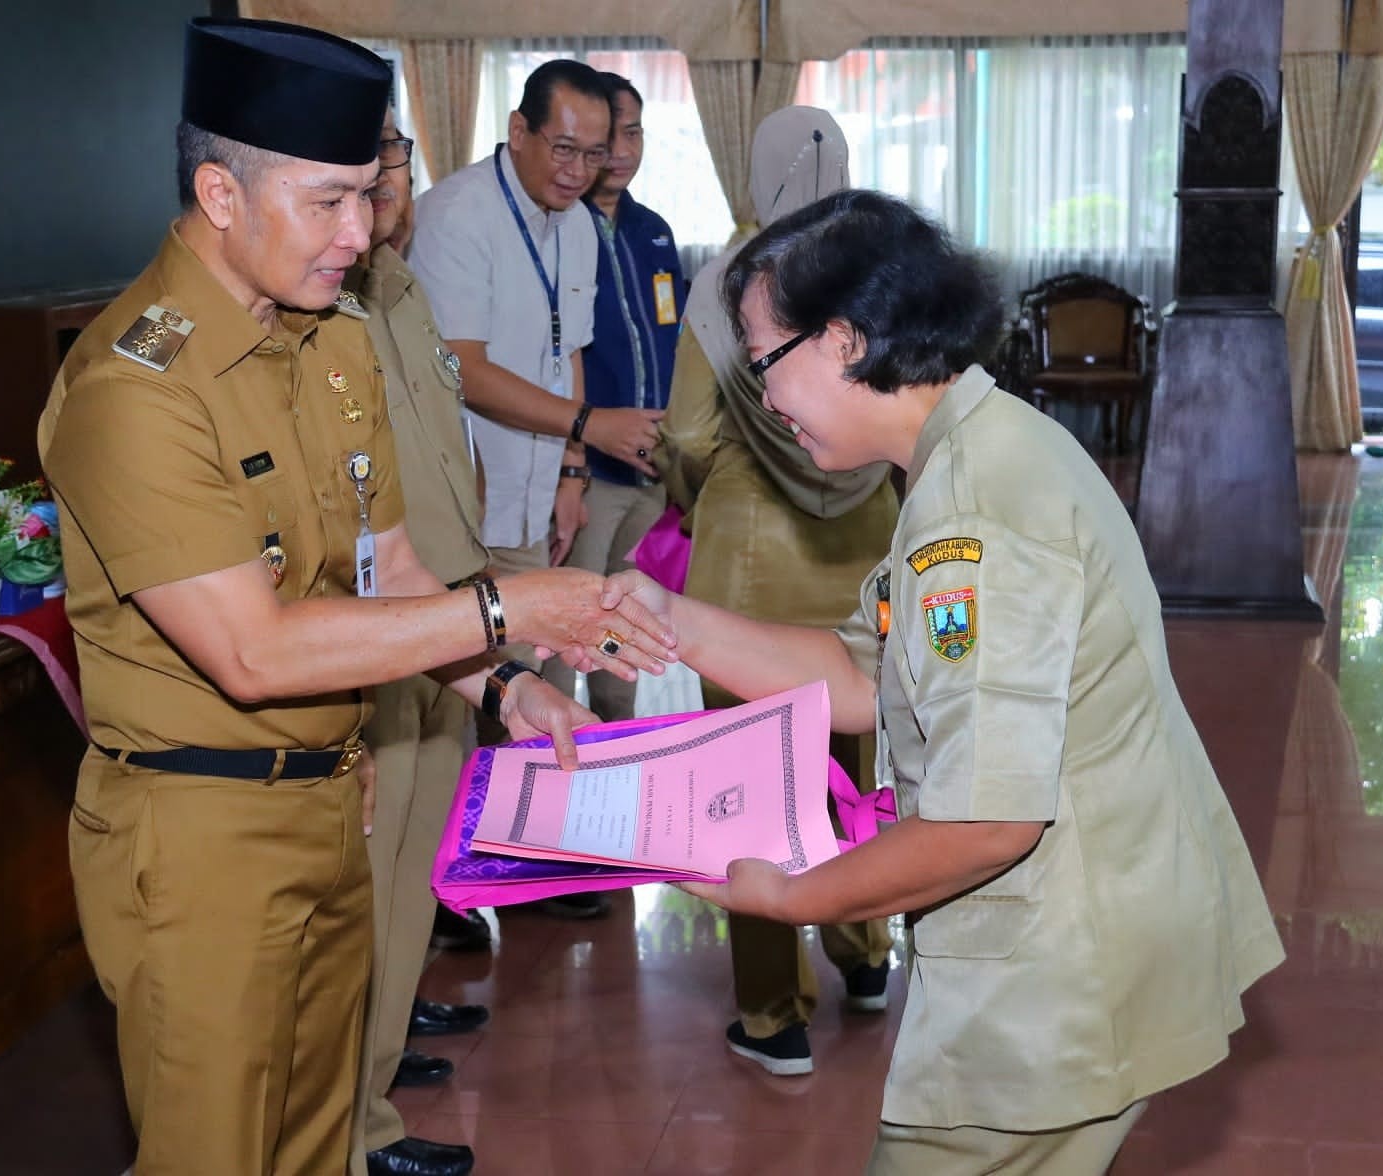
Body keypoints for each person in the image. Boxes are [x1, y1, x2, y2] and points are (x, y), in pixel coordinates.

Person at [36, 19, 674, 1175]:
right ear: (220, 194)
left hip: (335, 802)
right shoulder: (134, 389)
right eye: (328, 201)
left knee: (324, 1145)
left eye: (370, 192)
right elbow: (254, 652)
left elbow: (400, 574)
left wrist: (508, 687)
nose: (364, 229)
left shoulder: (330, 342)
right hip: (201, 838)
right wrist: (514, 611)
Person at [602, 189, 1284, 1174]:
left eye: (763, 365)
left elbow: (984, 822)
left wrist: (794, 899)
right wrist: (670, 620)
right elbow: (858, 675)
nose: (764, 400)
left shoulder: (976, 509)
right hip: (1084, 940)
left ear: (839, 342)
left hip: (1055, 985)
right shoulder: (971, 449)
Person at [657, 107, 896, 1076]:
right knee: (852, 766)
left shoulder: (726, 281)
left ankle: (772, 1015)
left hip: (749, 558)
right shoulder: (877, 278)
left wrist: (713, 486)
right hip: (865, 547)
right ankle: (866, 957)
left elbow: (682, 435)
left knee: (750, 789)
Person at [412, 57, 662, 919]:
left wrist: (572, 469)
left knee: (522, 675)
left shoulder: (581, 226)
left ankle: (528, 856)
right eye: (561, 147)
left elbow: (570, 348)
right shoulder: (455, 217)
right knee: (459, 685)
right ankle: (448, 891)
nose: (576, 169)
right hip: (459, 494)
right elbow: (465, 371)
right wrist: (589, 427)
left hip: (532, 485)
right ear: (515, 131)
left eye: (593, 154)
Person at [344, 107, 484, 1176]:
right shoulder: (318, 310)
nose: (386, 177)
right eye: (365, 159)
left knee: (409, 882)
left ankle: (378, 1074)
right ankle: (355, 1130)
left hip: (447, 623)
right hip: (386, 637)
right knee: (372, 896)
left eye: (394, 155)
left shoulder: (397, 288)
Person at [546, 71, 685, 722]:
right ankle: (547, 755)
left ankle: (618, 746)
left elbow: (672, 338)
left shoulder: (652, 230)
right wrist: (574, 455)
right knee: (566, 625)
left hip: (650, 467)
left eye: (633, 133)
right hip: (588, 471)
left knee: (628, 620)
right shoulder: (558, 229)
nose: (621, 151)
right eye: (610, 137)